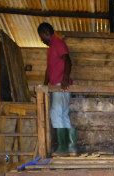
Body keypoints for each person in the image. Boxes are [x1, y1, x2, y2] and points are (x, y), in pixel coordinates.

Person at [37, 22, 76, 155]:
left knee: (55, 113)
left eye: (41, 37)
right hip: (57, 86)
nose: (41, 40)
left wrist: (65, 79)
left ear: (45, 33)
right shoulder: (52, 47)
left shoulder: (57, 43)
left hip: (61, 85)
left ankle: (63, 148)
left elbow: (68, 60)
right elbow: (49, 69)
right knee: (63, 115)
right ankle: (70, 147)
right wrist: (44, 85)